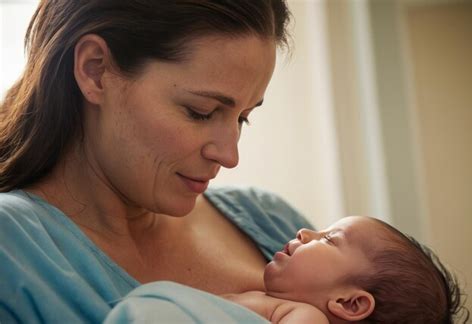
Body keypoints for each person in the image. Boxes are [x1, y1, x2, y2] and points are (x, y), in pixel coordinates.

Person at [0, 1, 316, 322]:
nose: (229, 156)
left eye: (243, 118)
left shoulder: (275, 223)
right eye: (200, 111)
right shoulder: (11, 251)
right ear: (95, 69)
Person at [224, 216, 470, 324]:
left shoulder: (305, 317)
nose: (305, 233)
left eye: (329, 239)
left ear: (349, 303)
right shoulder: (277, 305)